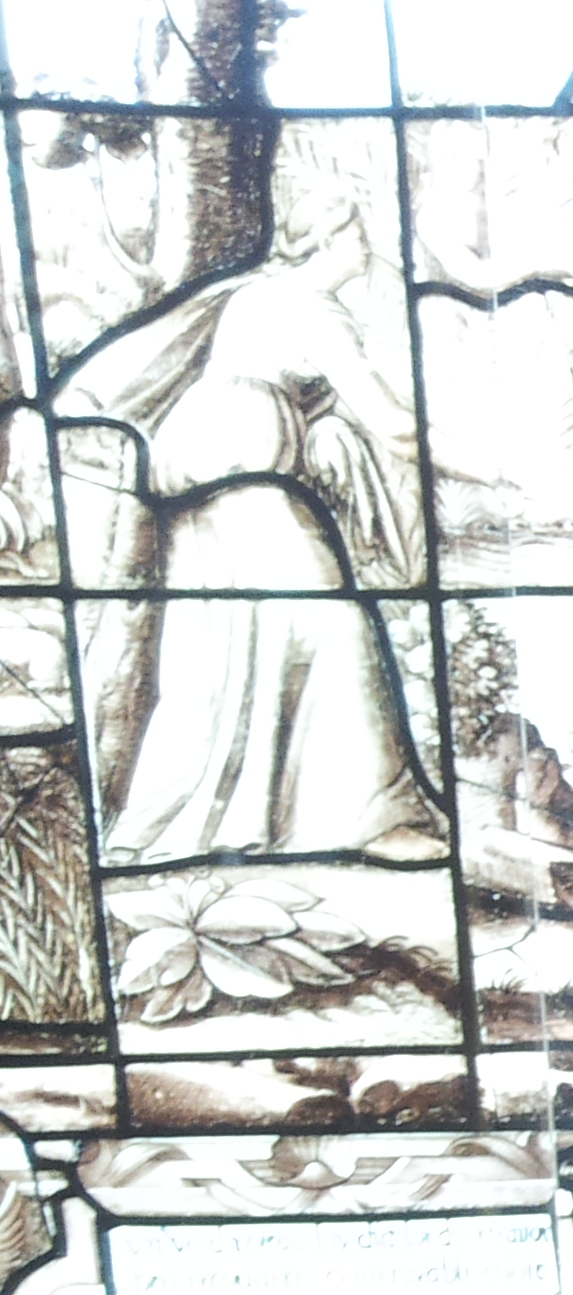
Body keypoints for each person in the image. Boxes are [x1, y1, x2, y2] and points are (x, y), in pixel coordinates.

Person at [63, 154, 440, 868]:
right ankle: (367, 818)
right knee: (334, 624)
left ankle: (185, 824)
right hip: (243, 475)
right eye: (356, 232)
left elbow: (307, 396)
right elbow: (392, 424)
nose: (366, 246)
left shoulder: (261, 296)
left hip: (208, 476)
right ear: (325, 238)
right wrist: (488, 465)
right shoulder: (308, 304)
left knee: (218, 653)